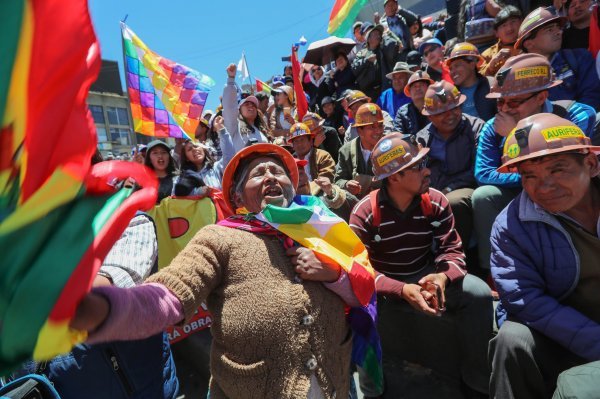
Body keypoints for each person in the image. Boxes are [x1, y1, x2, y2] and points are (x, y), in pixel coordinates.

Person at [70, 143, 369, 399]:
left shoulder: (323, 229)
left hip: (336, 385)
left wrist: (334, 275)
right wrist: (118, 307)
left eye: (277, 171)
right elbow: (177, 286)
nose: (270, 176)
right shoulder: (220, 237)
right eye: (258, 173)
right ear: (238, 198)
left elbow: (363, 295)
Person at [350, 134, 493, 398]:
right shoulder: (365, 213)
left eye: (424, 161)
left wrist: (441, 278)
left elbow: (452, 250)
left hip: (425, 276)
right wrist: (401, 290)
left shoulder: (436, 201)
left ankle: (477, 382)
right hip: (384, 287)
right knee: (357, 311)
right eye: (417, 166)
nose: (427, 170)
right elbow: (359, 270)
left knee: (479, 294)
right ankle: (373, 389)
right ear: (394, 178)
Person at [488, 113, 600, 398]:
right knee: (512, 340)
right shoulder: (511, 226)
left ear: (591, 164)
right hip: (560, 331)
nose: (544, 186)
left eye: (557, 170)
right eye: (530, 176)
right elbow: (528, 301)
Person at [472, 53, 597, 271]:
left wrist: (516, 135)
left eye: (514, 101)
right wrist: (528, 177)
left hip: (572, 188)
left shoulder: (576, 113)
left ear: (541, 97)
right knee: (483, 196)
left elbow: (574, 161)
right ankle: (493, 269)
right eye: (500, 101)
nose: (504, 109)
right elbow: (483, 173)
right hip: (522, 191)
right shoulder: (493, 125)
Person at [416, 80, 485, 248]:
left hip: (467, 187)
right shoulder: (422, 138)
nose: (451, 115)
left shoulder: (476, 128)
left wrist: (450, 188)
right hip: (434, 192)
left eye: (455, 108)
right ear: (430, 116)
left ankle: (462, 255)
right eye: (442, 112)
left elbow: (477, 169)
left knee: (453, 202)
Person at [515, 7, 600, 111]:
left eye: (558, 27)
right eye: (550, 29)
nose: (559, 32)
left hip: (577, 123)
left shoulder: (580, 58)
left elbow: (591, 98)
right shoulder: (514, 75)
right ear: (529, 43)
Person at [335, 103, 385, 199]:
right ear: (360, 131)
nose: (378, 131)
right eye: (372, 127)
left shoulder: (389, 147)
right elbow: (338, 180)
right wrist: (346, 184)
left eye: (380, 126)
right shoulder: (346, 151)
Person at [223, 63, 269, 153]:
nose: (250, 105)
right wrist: (231, 79)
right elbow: (229, 107)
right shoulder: (234, 126)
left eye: (253, 104)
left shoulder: (261, 130)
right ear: (239, 110)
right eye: (246, 104)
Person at [445, 42, 497, 120]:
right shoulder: (451, 94)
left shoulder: (491, 85)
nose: (453, 71)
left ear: (472, 65)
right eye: (451, 68)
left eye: (457, 66)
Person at [352, 23, 401, 100]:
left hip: (384, 88)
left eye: (379, 34)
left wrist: (385, 35)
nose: (378, 36)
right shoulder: (362, 53)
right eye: (375, 34)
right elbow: (354, 69)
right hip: (368, 92)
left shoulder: (383, 49)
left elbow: (393, 45)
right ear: (368, 39)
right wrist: (366, 60)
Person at [480, 5, 523, 77]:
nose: (509, 28)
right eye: (504, 25)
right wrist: (491, 65)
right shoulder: (487, 55)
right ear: (496, 33)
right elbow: (476, 79)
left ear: (522, 22)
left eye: (513, 22)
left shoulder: (532, 43)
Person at [393, 70, 434, 135]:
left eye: (421, 85)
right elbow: (397, 135)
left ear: (429, 87)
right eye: (414, 86)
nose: (418, 88)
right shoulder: (402, 112)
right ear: (409, 91)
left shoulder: (438, 107)